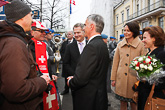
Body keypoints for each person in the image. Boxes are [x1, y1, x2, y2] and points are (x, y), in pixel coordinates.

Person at [0, 0, 49, 110]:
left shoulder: (12, 40)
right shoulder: (14, 44)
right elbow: (16, 90)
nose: (32, 20)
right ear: (21, 17)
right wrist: (42, 81)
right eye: (31, 15)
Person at [67, 14, 109, 110]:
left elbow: (81, 79)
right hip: (99, 97)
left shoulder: (91, 47)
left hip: (89, 100)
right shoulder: (102, 44)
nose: (84, 28)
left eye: (85, 25)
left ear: (91, 26)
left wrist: (71, 81)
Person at [111, 22, 147, 110]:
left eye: (128, 31)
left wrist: (142, 81)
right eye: (124, 30)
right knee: (122, 103)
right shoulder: (119, 45)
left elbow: (144, 64)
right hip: (121, 79)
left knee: (134, 103)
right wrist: (113, 78)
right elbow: (115, 62)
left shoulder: (142, 45)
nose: (126, 33)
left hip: (134, 80)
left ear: (134, 31)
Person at [30, 20, 59, 110]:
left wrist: (51, 74)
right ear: (32, 31)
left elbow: (46, 63)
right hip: (36, 85)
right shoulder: (29, 45)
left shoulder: (43, 45)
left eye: (45, 32)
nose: (44, 34)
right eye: (41, 31)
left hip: (46, 82)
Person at [138, 26, 165, 110]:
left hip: (154, 97)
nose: (142, 40)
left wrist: (144, 77)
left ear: (154, 38)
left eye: (145, 38)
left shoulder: (161, 54)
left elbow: (161, 81)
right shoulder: (149, 53)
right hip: (146, 95)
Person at [60, 31, 76, 95]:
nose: (68, 35)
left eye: (69, 34)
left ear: (73, 35)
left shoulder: (76, 42)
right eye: (67, 34)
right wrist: (64, 58)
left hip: (73, 63)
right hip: (66, 63)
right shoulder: (64, 43)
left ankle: (74, 90)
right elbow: (61, 51)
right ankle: (66, 89)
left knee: (74, 76)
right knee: (66, 77)